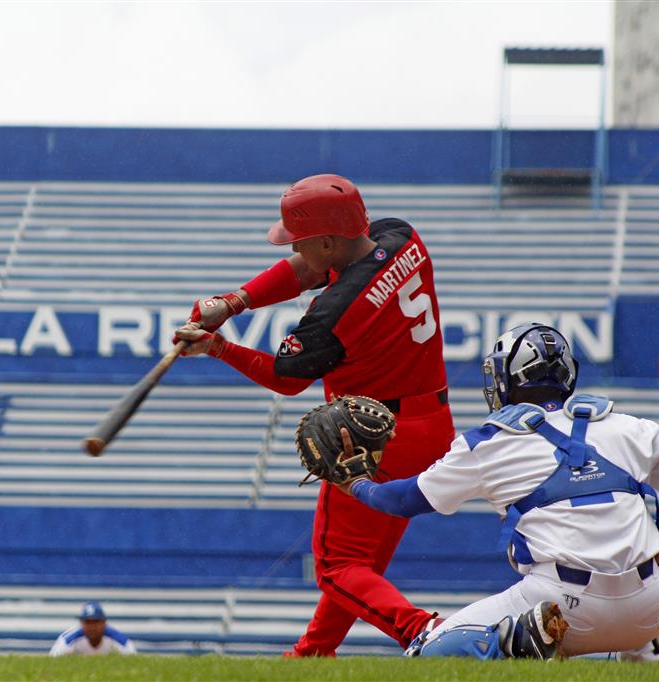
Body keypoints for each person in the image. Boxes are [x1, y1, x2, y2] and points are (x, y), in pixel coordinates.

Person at [174, 173, 455, 655]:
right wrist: (233, 302)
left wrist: (219, 347)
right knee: (361, 567)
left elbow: (287, 377)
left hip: (371, 439)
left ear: (328, 240)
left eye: (300, 241)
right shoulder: (400, 236)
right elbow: (309, 270)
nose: (295, 250)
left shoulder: (334, 312)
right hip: (432, 426)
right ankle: (311, 655)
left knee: (337, 565)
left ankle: (426, 631)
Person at [344, 323, 659, 659]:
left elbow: (403, 500)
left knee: (428, 650)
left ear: (508, 378)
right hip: (653, 605)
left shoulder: (488, 443)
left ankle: (520, 641)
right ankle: (642, 651)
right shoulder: (624, 426)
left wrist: (356, 483)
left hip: (564, 603)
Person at [49, 601, 137, 656]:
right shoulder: (69, 640)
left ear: (104, 623)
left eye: (96, 622)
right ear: (81, 623)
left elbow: (133, 661)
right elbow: (53, 661)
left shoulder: (119, 640)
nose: (92, 627)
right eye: (88, 622)